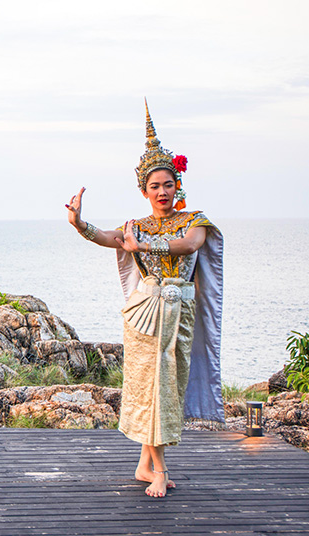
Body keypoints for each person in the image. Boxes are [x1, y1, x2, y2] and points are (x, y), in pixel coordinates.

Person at [64, 102, 224, 498]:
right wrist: (79, 223)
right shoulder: (137, 226)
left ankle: (143, 463)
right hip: (144, 311)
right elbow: (107, 237)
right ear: (144, 191)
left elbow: (189, 247)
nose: (163, 192)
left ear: (177, 186)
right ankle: (158, 469)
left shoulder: (194, 221)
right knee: (147, 386)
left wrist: (147, 243)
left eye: (168, 184)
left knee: (169, 386)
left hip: (179, 311)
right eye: (155, 186)